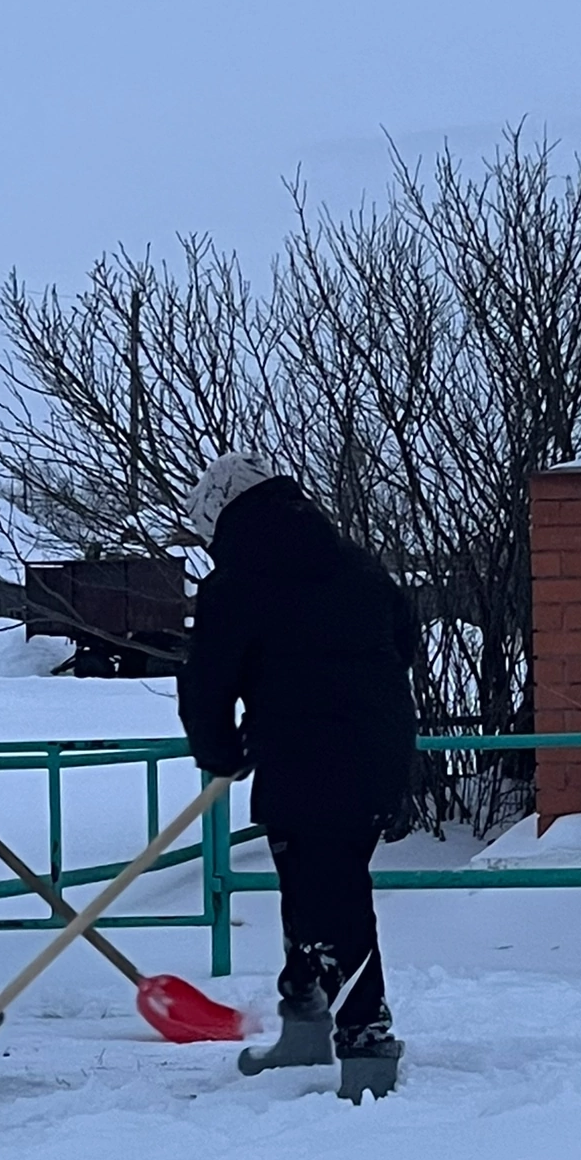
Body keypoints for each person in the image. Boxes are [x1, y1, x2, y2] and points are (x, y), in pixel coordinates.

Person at [177, 453, 416, 1103]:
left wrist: (220, 749)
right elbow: (408, 644)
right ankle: (306, 1021)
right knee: (310, 894)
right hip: (378, 753)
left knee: (330, 900)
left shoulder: (238, 583)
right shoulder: (359, 567)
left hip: (308, 761)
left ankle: (366, 1044)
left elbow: (207, 682)